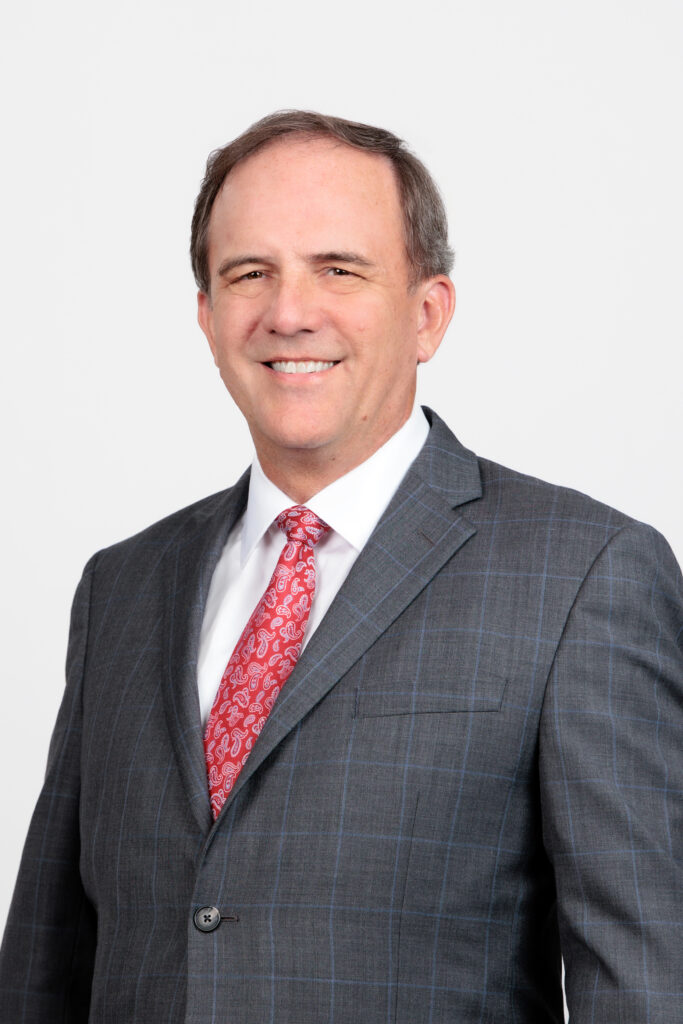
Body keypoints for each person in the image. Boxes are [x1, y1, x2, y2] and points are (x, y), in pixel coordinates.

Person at [0, 110, 681, 1024]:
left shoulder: (582, 575)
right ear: (207, 317)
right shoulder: (121, 587)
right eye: (249, 273)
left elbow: (645, 985)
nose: (288, 313)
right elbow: (43, 970)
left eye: (339, 270)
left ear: (427, 314)